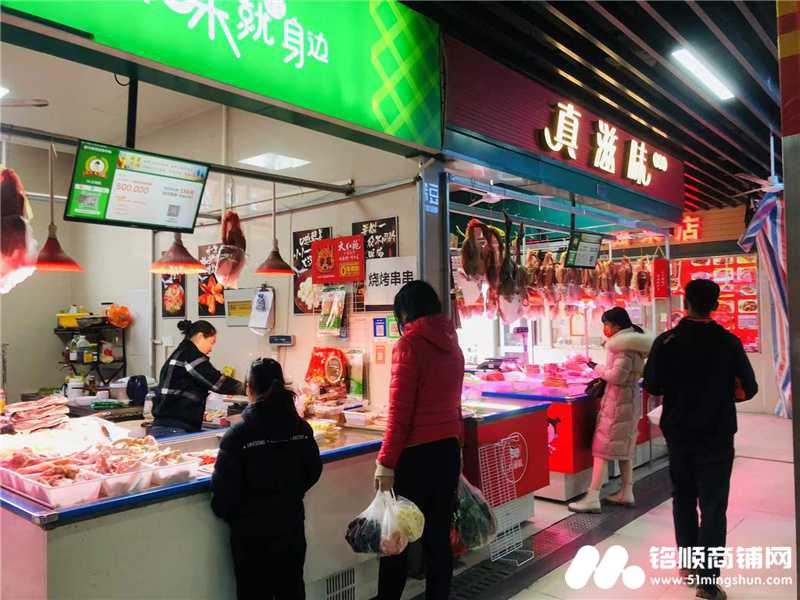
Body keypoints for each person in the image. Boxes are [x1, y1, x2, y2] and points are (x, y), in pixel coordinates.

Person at [644, 279, 757, 600]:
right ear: (716, 305)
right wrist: (721, 394)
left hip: (679, 433)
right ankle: (707, 583)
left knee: (682, 497)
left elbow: (652, 385)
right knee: (713, 505)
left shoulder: (667, 341)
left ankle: (688, 565)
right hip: (717, 433)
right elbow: (749, 389)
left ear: (685, 302)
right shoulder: (728, 342)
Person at [375, 281, 464, 600]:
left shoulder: (408, 345)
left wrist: (386, 462)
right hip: (447, 451)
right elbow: (455, 406)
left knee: (396, 539)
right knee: (438, 539)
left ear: (405, 312)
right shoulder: (454, 346)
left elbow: (400, 413)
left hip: (415, 456)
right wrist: (458, 448)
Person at [211, 358, 322, 600]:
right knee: (291, 588)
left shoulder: (237, 435)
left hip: (250, 533)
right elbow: (313, 470)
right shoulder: (301, 429)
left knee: (253, 592)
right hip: (291, 524)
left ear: (249, 388)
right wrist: (291, 494)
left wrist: (237, 514)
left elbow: (222, 495)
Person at [568, 307, 653, 514]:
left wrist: (594, 366)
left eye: (606, 324)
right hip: (627, 401)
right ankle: (626, 492)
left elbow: (617, 376)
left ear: (616, 325)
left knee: (602, 449)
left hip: (618, 403)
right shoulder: (633, 343)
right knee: (624, 449)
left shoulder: (623, 346)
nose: (605, 328)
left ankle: (592, 497)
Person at [151, 319, 244, 437]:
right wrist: (248, 388)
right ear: (200, 337)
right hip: (174, 427)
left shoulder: (181, 352)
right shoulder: (190, 354)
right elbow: (216, 382)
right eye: (211, 342)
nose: (211, 348)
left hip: (168, 425)